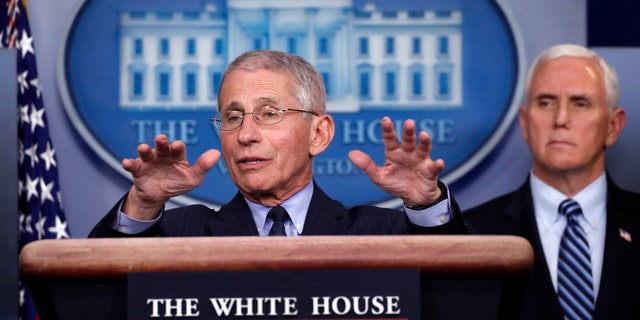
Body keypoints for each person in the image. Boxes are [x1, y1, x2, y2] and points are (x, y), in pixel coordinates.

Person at [89, 49, 466, 238]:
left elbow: (460, 298)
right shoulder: (178, 234)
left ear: (318, 134)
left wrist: (425, 204)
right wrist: (143, 203)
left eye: (269, 114)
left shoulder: (381, 234)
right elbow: (97, 299)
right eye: (233, 117)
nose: (246, 134)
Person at [463, 44, 640, 319]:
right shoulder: (474, 235)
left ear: (613, 126)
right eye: (545, 103)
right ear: (524, 123)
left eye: (580, 104)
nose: (560, 119)